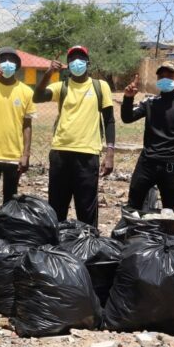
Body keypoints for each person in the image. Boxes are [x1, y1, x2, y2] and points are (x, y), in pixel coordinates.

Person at [33, 45, 115, 227]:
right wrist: (48, 73)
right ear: (67, 65)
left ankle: (88, 246)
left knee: (86, 208)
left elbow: (109, 120)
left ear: (88, 63)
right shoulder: (61, 86)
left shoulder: (100, 87)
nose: (76, 62)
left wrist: (109, 153)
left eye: (80, 58)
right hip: (60, 152)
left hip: (88, 153)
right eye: (72, 59)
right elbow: (37, 97)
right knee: (56, 206)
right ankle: (56, 249)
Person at [121, 61, 174, 211]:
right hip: (147, 163)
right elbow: (127, 118)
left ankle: (169, 234)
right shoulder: (150, 102)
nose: (165, 78)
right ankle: (132, 233)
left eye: (170, 75)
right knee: (133, 206)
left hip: (172, 166)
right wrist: (128, 98)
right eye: (161, 76)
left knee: (170, 211)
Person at [0, 48, 35, 211]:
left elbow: (27, 125)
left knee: (10, 199)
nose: (7, 63)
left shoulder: (26, 91)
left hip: (13, 156)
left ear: (17, 66)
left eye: (12, 60)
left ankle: (6, 233)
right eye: (3, 60)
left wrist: (25, 154)